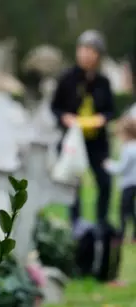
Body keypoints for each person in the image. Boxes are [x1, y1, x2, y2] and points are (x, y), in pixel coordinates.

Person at [51, 30, 115, 226]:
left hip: (97, 141)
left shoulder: (103, 82)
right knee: (72, 184)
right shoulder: (67, 78)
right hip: (73, 140)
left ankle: (101, 223)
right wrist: (66, 118)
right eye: (83, 49)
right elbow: (55, 107)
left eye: (91, 50)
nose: (86, 54)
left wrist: (102, 118)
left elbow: (110, 110)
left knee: (104, 181)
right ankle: (75, 223)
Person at [104, 116, 136, 241]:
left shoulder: (128, 149)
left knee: (124, 210)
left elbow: (121, 168)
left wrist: (109, 165)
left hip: (128, 183)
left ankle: (121, 232)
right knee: (131, 209)